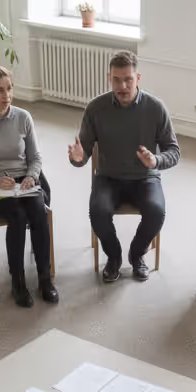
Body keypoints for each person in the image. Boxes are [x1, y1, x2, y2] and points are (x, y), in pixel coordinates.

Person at [67, 49, 180, 283]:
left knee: (156, 211)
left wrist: (156, 160)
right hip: (109, 177)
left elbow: (174, 151)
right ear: (109, 78)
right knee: (97, 211)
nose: (123, 86)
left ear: (137, 79)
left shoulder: (155, 108)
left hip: (145, 178)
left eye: (128, 79)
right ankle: (114, 257)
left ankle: (137, 255)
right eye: (116, 79)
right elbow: (83, 153)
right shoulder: (96, 108)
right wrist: (77, 158)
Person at [0, 66, 55, 309]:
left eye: (9, 89)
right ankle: (18, 282)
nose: (6, 95)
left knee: (38, 208)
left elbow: (35, 157)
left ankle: (45, 278)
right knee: (16, 215)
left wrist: (31, 176)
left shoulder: (23, 117)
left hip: (23, 182)